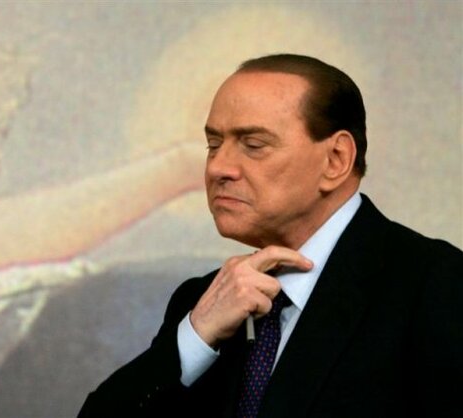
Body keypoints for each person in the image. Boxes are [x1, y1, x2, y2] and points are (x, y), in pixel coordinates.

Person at [77, 54, 463, 418]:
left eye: (253, 145)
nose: (218, 168)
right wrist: (197, 336)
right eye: (214, 145)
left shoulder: (439, 285)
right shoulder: (202, 302)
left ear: (336, 160)